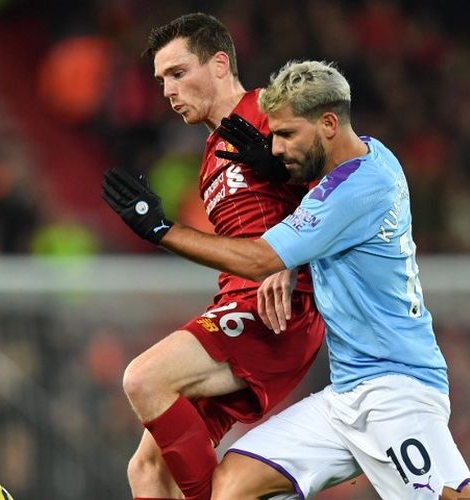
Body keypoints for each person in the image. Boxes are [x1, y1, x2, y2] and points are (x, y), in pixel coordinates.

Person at [102, 60, 470, 499]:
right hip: (344, 396)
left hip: (397, 391)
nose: (276, 149)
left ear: (329, 124)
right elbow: (317, 221)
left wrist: (163, 230)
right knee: (228, 489)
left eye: (285, 135)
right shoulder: (371, 155)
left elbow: (261, 256)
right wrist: (293, 260)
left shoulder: (359, 189)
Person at [104, 13, 326, 500]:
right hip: (236, 305)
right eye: (161, 80)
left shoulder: (270, 110)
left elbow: (339, 181)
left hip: (278, 310)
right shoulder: (210, 156)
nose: (167, 90)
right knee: (146, 469)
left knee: (143, 378)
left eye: (178, 73)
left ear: (220, 63)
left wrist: (287, 260)